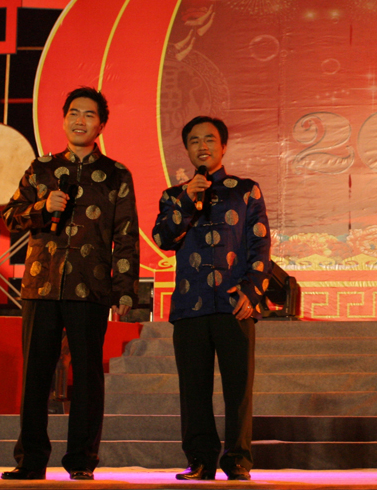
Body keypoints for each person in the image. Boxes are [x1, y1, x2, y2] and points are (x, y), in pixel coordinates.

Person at [1, 87, 140, 481]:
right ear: (63, 120)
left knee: (88, 376)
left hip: (90, 286)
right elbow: (11, 216)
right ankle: (31, 460)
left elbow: (126, 235)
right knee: (36, 374)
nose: (80, 121)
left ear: (101, 125)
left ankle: (81, 460)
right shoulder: (41, 168)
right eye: (74, 113)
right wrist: (42, 207)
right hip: (41, 284)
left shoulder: (116, 174)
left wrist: (124, 289)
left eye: (89, 115)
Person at [152, 116, 271, 481]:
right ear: (187, 149)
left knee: (238, 388)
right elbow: (163, 238)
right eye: (194, 141)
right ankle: (200, 460)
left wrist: (252, 291)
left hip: (235, 304)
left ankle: (237, 460)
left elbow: (260, 244)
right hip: (191, 305)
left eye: (209, 139)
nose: (202, 146)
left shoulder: (246, 190)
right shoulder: (174, 196)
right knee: (194, 389)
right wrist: (187, 199)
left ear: (223, 146)